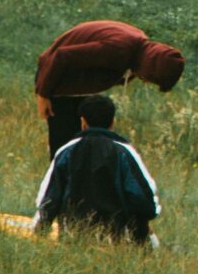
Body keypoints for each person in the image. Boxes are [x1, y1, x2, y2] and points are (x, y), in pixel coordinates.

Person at [33, 20, 185, 165]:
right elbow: (62, 56)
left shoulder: (137, 45)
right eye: (151, 79)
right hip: (60, 88)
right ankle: (60, 190)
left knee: (87, 150)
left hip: (78, 89)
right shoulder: (118, 50)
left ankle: (84, 189)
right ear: (149, 67)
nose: (146, 82)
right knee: (65, 151)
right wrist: (43, 94)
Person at [33, 95, 160, 244]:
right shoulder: (124, 152)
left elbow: (49, 197)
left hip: (73, 237)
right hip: (116, 238)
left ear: (83, 122)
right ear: (113, 123)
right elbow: (143, 198)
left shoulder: (66, 151)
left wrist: (40, 229)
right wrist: (141, 231)